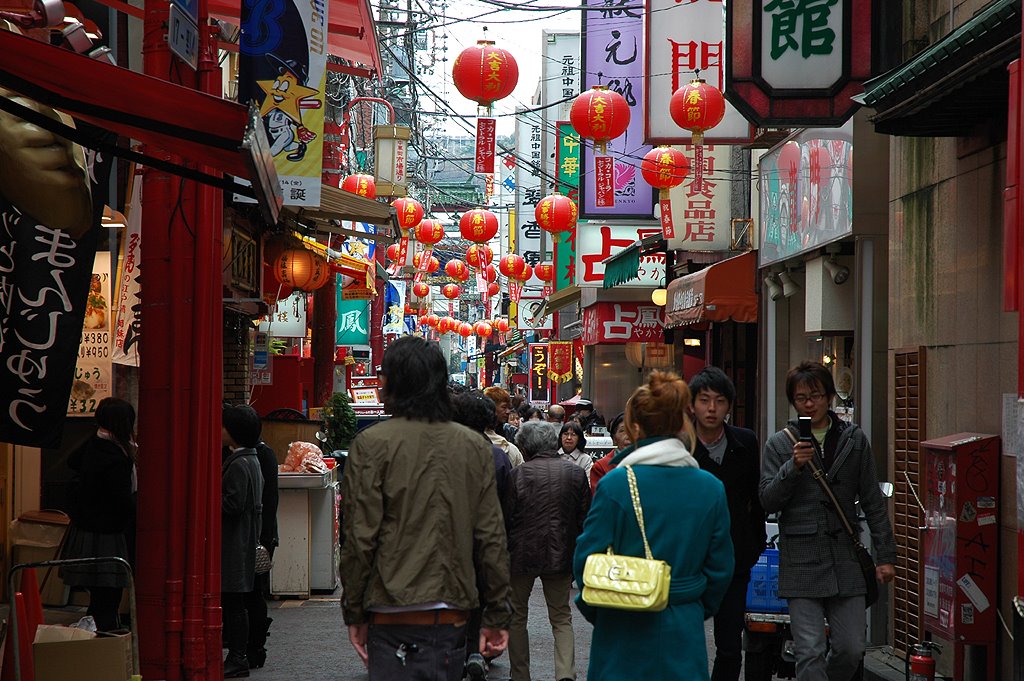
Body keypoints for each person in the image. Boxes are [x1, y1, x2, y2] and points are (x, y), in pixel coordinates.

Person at [340, 336, 511, 680]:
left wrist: (354, 611)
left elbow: (359, 538)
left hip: (390, 608)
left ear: (394, 382)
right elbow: (491, 537)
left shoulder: (370, 444)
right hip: (451, 611)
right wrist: (496, 614)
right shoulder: (474, 447)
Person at [573, 371, 734, 681]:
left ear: (635, 427)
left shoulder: (616, 484)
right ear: (683, 423)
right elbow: (721, 569)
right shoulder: (710, 488)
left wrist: (605, 607)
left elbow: (585, 561)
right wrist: (691, 607)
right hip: (682, 625)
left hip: (621, 624)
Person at [760, 361, 897, 681]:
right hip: (802, 559)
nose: (809, 403)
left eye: (816, 395)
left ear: (830, 396)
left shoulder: (854, 440)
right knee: (809, 649)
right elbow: (768, 499)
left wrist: (886, 556)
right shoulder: (780, 444)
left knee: (851, 647)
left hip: (845, 558)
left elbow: (873, 501)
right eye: (801, 397)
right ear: (792, 401)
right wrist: (792, 467)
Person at [688, 367, 766, 681]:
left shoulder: (745, 443)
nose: (711, 408)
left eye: (719, 401)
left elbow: (756, 499)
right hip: (689, 558)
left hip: (734, 557)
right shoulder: (680, 445)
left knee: (730, 644)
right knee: (686, 640)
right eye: (704, 400)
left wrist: (754, 546)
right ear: (691, 404)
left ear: (729, 406)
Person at [505, 421, 590, 681]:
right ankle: (565, 673)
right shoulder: (575, 474)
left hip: (521, 554)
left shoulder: (518, 475)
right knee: (561, 616)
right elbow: (584, 516)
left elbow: (507, 517)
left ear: (526, 447)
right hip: (561, 552)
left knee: (517, 615)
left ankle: (520, 674)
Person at [60, 397, 137, 632]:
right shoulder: (115, 455)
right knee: (108, 590)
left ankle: (97, 629)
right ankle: (104, 633)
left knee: (99, 592)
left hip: (86, 528)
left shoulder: (96, 443)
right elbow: (123, 499)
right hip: (107, 532)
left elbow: (72, 461)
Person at [221, 404, 265, 678]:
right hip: (245, 540)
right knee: (238, 601)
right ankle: (239, 655)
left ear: (234, 433)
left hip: (235, 543)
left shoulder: (239, 463)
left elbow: (233, 505)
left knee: (234, 603)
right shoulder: (253, 458)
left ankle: (237, 657)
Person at [244, 435, 279, 669]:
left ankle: (252, 647)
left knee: (250, 593)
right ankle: (255, 647)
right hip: (264, 533)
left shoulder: (251, 457)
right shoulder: (264, 454)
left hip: (254, 536)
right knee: (255, 591)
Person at [483, 386, 524, 467]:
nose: (508, 412)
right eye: (504, 407)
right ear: (491, 407)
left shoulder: (510, 431)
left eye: (509, 408)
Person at [589, 412, 629, 490]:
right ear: (614, 438)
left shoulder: (647, 463)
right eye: (622, 430)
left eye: (632, 429)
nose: (628, 435)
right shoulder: (600, 467)